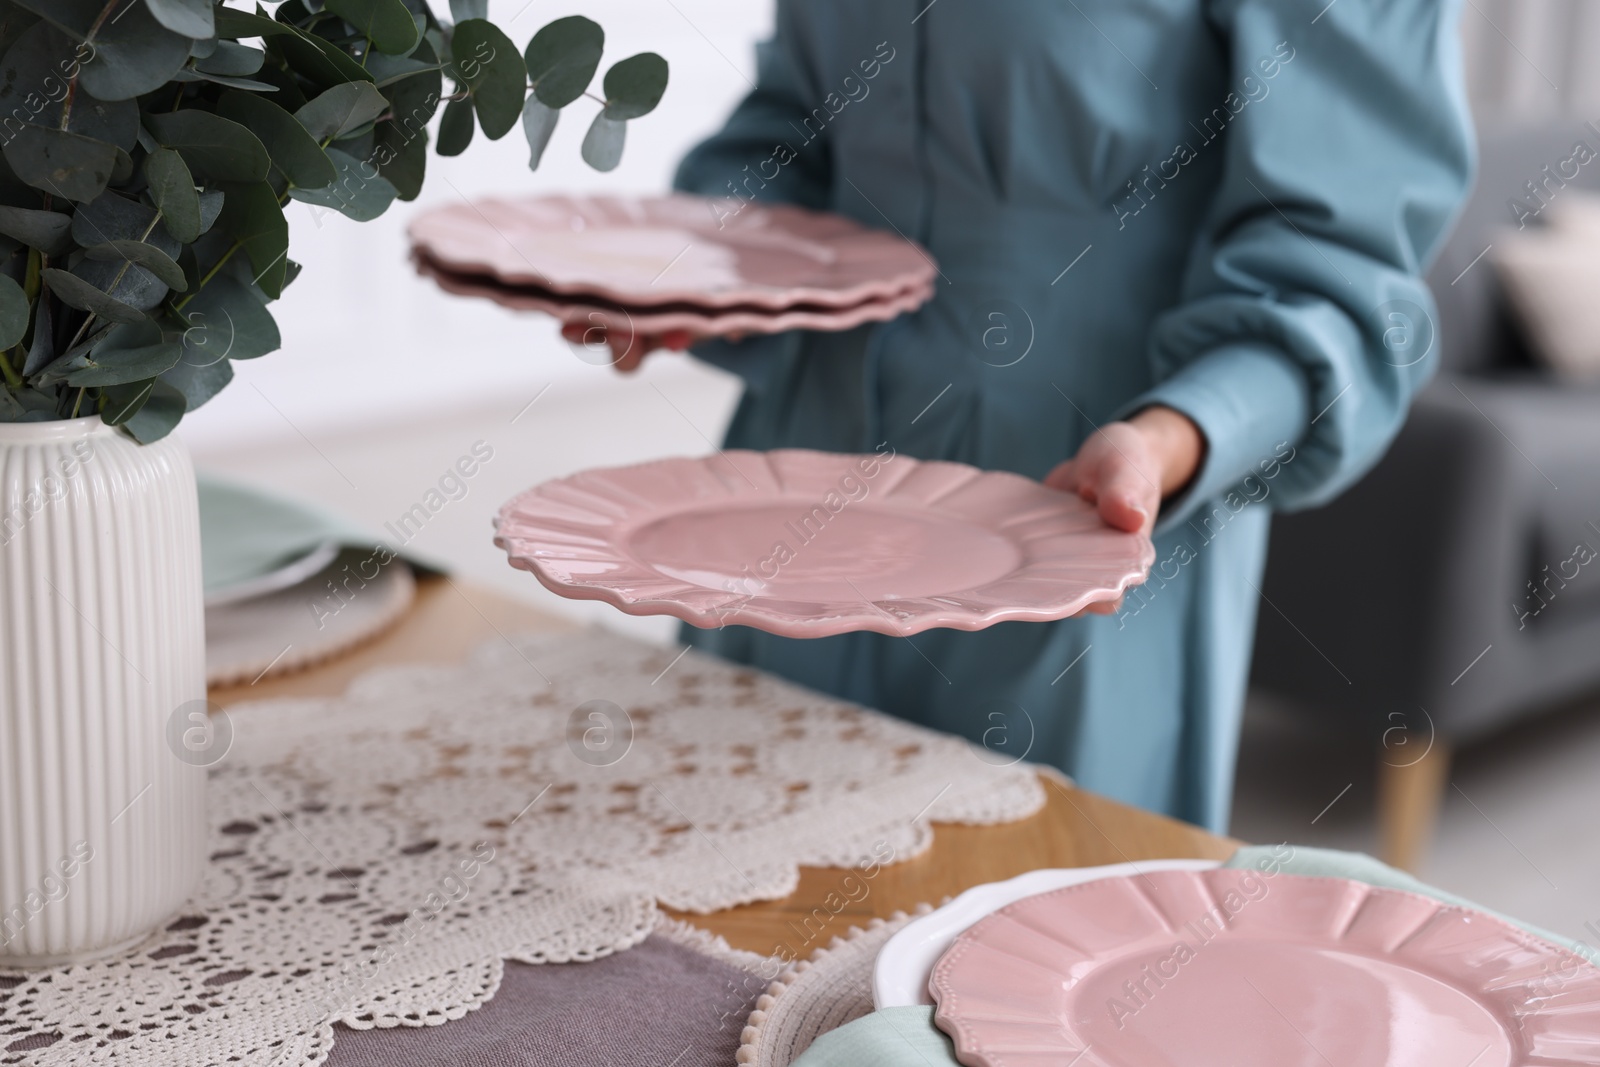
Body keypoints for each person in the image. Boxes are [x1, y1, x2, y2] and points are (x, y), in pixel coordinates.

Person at [570, 0, 1473, 833]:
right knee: (724, 917)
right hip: (786, 502)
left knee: (999, 959)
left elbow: (1339, 277)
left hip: (1079, 516)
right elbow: (794, 126)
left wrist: (1170, 439)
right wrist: (707, 265)